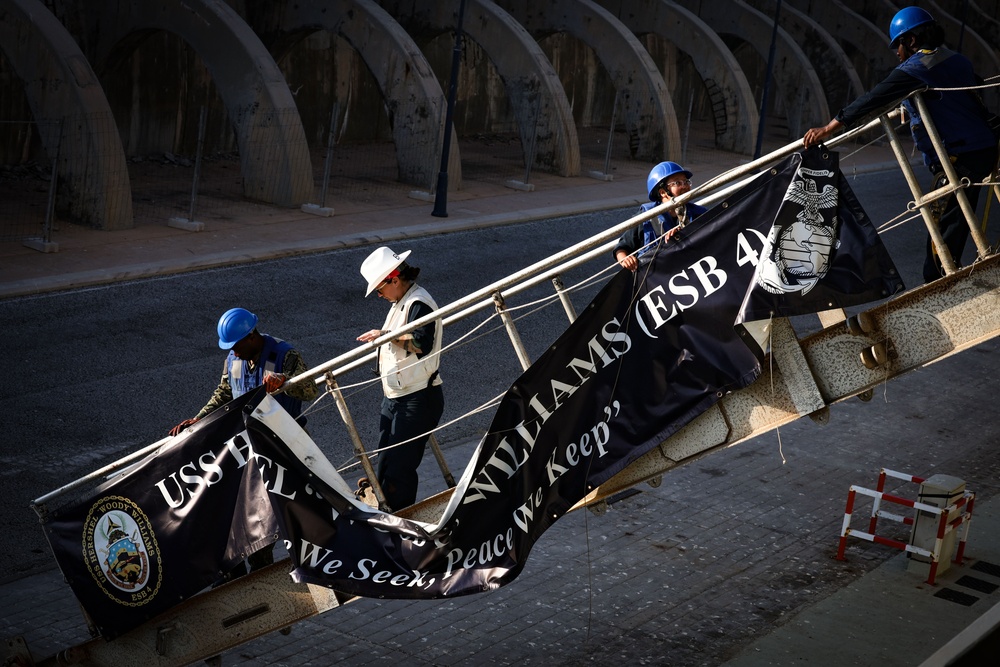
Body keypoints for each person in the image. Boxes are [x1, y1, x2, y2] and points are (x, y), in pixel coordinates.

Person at [803, 6, 998, 283]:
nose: (897, 53)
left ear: (912, 40)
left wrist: (828, 129)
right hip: (984, 148)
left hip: (959, 155)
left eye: (898, 45)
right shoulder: (957, 59)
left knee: (942, 223)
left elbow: (872, 99)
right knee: (956, 219)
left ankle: (938, 282)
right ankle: (946, 274)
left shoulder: (916, 68)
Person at [356, 247, 444, 511]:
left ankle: (400, 524)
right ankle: (386, 517)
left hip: (418, 398)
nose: (379, 295)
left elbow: (421, 342)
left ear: (394, 278)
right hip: (397, 397)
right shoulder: (401, 301)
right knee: (384, 466)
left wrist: (384, 336)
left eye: (379, 289)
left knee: (399, 470)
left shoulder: (419, 303)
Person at [169, 307, 318, 437]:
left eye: (237, 347)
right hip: (251, 438)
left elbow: (310, 391)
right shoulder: (234, 359)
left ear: (251, 337)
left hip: (289, 437)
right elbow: (225, 393)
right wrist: (199, 419)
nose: (236, 353)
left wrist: (283, 380)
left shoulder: (284, 354)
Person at [614, 161, 708, 271]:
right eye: (678, 183)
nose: (685, 186)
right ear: (663, 192)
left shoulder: (699, 213)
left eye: (686, 182)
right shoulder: (646, 216)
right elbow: (621, 248)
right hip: (657, 279)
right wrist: (625, 260)